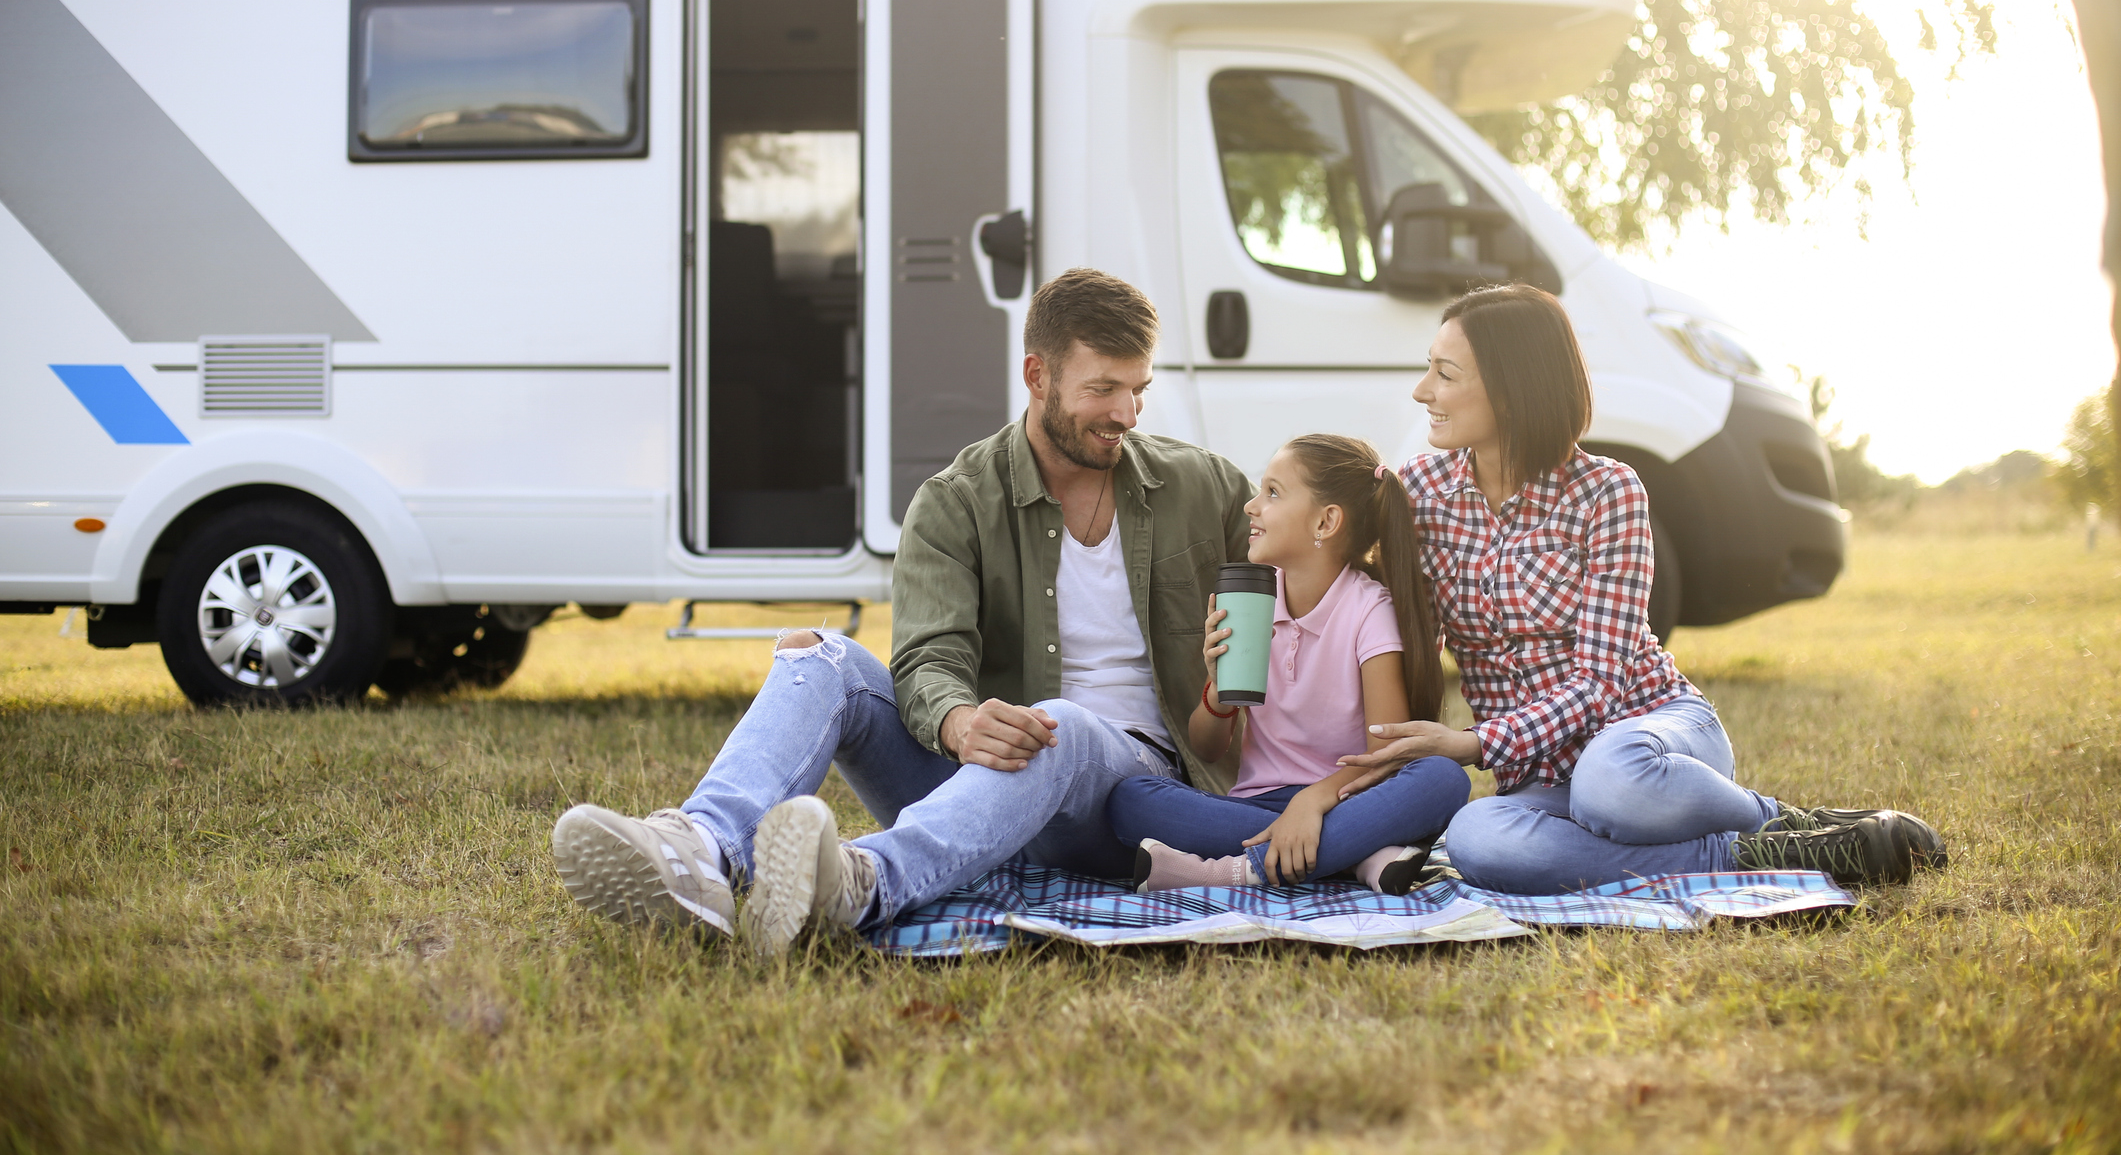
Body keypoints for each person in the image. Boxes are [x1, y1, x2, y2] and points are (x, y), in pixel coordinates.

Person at [548, 268, 1253, 956]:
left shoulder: (1207, 486)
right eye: (1102, 389)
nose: (1126, 415)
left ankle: (861, 885)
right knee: (819, 654)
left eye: (1138, 390)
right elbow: (925, 658)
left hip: (1130, 797)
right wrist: (961, 721)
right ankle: (699, 852)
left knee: (1056, 725)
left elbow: (1299, 617)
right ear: (1037, 376)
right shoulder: (956, 500)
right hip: (981, 783)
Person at [1334, 283, 1945, 894]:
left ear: (1511, 386)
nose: (1423, 391)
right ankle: (1750, 854)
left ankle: (1783, 821)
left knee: (1612, 787)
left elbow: (1600, 686)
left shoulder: (1609, 492)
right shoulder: (1419, 493)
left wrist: (1472, 742)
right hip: (1541, 779)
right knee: (1475, 837)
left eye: (1444, 374)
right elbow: (1362, 604)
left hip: (1648, 735)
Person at [1108, 434, 1470, 893]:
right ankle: (1354, 854)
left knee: (1441, 778)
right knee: (1130, 798)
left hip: (1348, 795)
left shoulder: (1368, 609)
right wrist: (1218, 691)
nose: (1251, 507)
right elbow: (1208, 748)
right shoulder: (1249, 601)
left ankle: (1238, 871)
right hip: (1257, 806)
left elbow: (1388, 755)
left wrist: (1313, 802)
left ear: (1325, 521)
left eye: (1273, 493)